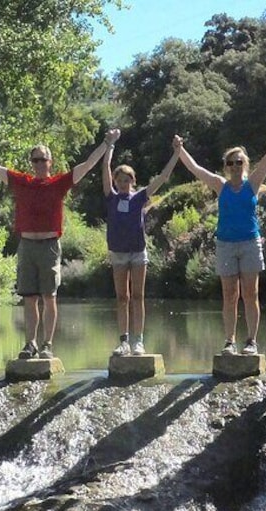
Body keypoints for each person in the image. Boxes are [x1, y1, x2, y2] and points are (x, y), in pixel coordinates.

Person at [0, 127, 120, 359]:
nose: (39, 163)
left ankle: (47, 344)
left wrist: (107, 143)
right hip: (27, 245)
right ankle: (30, 343)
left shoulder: (58, 183)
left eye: (43, 159)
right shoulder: (22, 182)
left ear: (50, 162)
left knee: (49, 296)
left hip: (50, 245)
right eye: (35, 160)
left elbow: (88, 165)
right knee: (29, 297)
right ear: (31, 163)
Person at [174, 114, 266, 355]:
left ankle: (251, 341)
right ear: (226, 166)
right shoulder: (220, 185)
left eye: (239, 162)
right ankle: (230, 341)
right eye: (231, 163)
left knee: (251, 294)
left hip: (250, 242)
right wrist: (180, 150)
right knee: (230, 295)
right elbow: (195, 169)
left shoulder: (252, 183)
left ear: (245, 164)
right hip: (225, 244)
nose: (235, 166)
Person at [103, 130, 180, 356]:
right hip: (118, 253)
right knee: (122, 297)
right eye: (120, 180)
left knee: (137, 296)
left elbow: (163, 178)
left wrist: (176, 153)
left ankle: (138, 341)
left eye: (127, 180)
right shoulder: (112, 197)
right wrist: (110, 145)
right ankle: (123, 341)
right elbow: (105, 170)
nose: (124, 183)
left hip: (137, 252)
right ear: (116, 182)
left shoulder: (139, 198)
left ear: (133, 182)